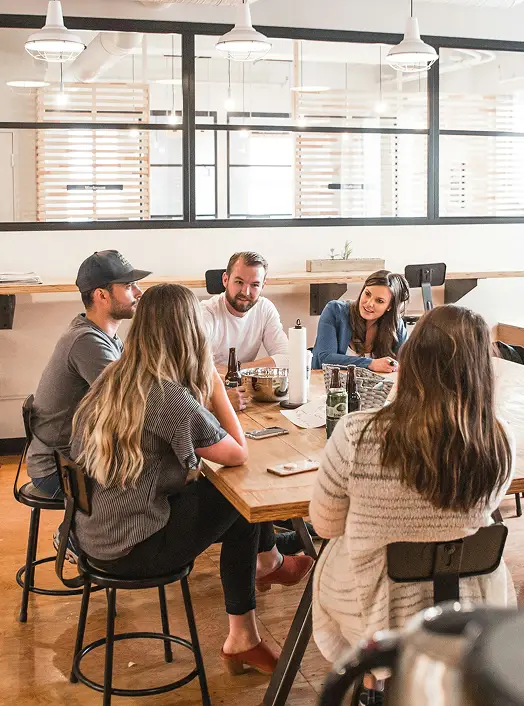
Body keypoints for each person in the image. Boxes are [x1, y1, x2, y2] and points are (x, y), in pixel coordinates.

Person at [70, 283, 313, 675]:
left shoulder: (114, 378)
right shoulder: (166, 395)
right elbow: (237, 451)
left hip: (96, 533)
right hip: (133, 548)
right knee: (238, 497)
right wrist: (215, 382)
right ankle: (254, 602)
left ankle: (255, 604)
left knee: (225, 499)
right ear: (190, 333)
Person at [310, 306, 516, 706]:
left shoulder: (358, 432)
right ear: (481, 367)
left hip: (374, 603)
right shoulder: (498, 438)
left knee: (338, 551)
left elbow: (325, 524)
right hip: (465, 601)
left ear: (410, 358)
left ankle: (373, 682)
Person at [26, 250, 150, 500]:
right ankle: (80, 537)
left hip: (76, 459)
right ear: (101, 295)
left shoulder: (104, 336)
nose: (138, 292)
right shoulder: (87, 342)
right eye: (128, 285)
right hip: (60, 471)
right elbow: (133, 403)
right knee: (160, 482)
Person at [201, 251, 289, 413]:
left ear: (263, 286)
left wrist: (238, 371)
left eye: (255, 285)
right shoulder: (206, 314)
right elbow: (198, 368)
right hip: (211, 400)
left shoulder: (265, 308)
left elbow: (286, 358)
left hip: (247, 399)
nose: (246, 292)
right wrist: (249, 373)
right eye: (239, 282)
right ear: (225, 280)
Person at [312, 270, 410, 374]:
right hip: (327, 387)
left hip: (375, 389)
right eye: (367, 294)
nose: (369, 303)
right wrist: (370, 364)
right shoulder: (335, 310)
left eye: (379, 301)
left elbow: (407, 364)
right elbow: (324, 359)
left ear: (389, 306)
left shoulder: (395, 325)